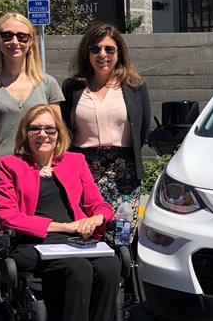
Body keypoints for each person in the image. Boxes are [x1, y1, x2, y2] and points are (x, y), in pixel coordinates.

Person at [0, 104, 120, 321]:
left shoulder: (75, 162)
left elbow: (100, 204)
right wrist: (63, 225)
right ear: (25, 133)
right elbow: (4, 214)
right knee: (79, 270)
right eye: (35, 129)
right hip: (34, 244)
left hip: (76, 239)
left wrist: (96, 219)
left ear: (59, 133)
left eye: (49, 129)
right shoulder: (10, 165)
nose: (43, 135)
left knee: (111, 267)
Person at [0, 13, 64, 234]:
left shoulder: (48, 84)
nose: (15, 42)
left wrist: (47, 176)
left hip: (40, 184)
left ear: (31, 42)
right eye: (7, 35)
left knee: (39, 254)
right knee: (1, 256)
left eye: (22, 36)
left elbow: (57, 135)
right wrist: (3, 179)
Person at [61, 24, 150, 241]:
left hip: (125, 172)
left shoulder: (135, 86)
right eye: (96, 49)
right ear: (87, 53)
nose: (103, 55)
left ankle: (124, 272)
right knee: (88, 230)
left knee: (123, 233)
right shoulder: (72, 87)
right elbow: (63, 128)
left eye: (109, 49)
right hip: (85, 169)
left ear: (119, 53)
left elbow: (143, 128)